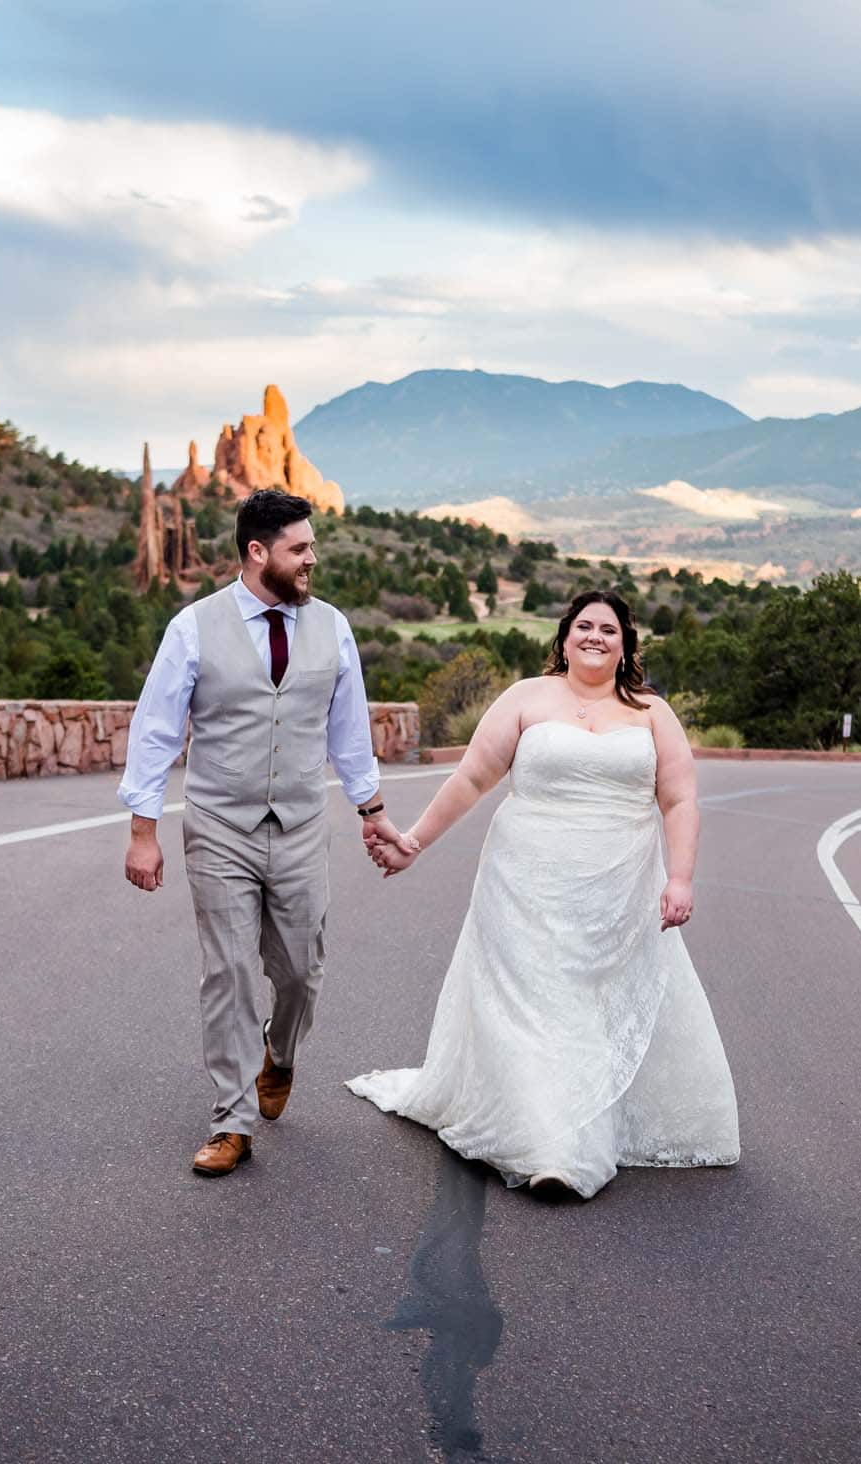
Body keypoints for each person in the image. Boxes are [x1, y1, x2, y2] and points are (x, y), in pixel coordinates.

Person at [349, 589, 739, 1199]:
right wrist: (414, 841)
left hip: (617, 887)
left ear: (625, 646)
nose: (595, 636)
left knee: (586, 1007)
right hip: (524, 880)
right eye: (584, 626)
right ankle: (559, 1151)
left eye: (609, 630)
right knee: (538, 1008)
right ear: (563, 637)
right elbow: (474, 775)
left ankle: (575, 1125)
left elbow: (680, 799)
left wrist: (680, 877)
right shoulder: (527, 698)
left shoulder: (651, 713)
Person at [120, 488, 412, 1176]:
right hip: (220, 823)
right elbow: (157, 728)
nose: (313, 558)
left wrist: (373, 814)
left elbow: (349, 732)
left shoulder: (332, 627)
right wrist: (143, 829)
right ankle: (231, 1121)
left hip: (303, 825)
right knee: (226, 972)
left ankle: (278, 1057)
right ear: (258, 553)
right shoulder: (195, 626)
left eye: (311, 546)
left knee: (300, 971)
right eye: (300, 548)